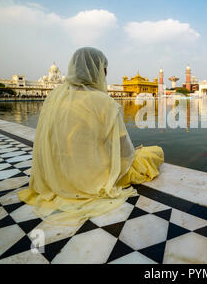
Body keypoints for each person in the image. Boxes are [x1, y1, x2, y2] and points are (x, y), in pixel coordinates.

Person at [18, 47, 164, 226]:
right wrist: (137, 153)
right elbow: (126, 153)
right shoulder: (104, 102)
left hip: (58, 174)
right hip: (94, 176)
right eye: (104, 69)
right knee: (155, 152)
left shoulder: (54, 96)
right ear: (98, 71)